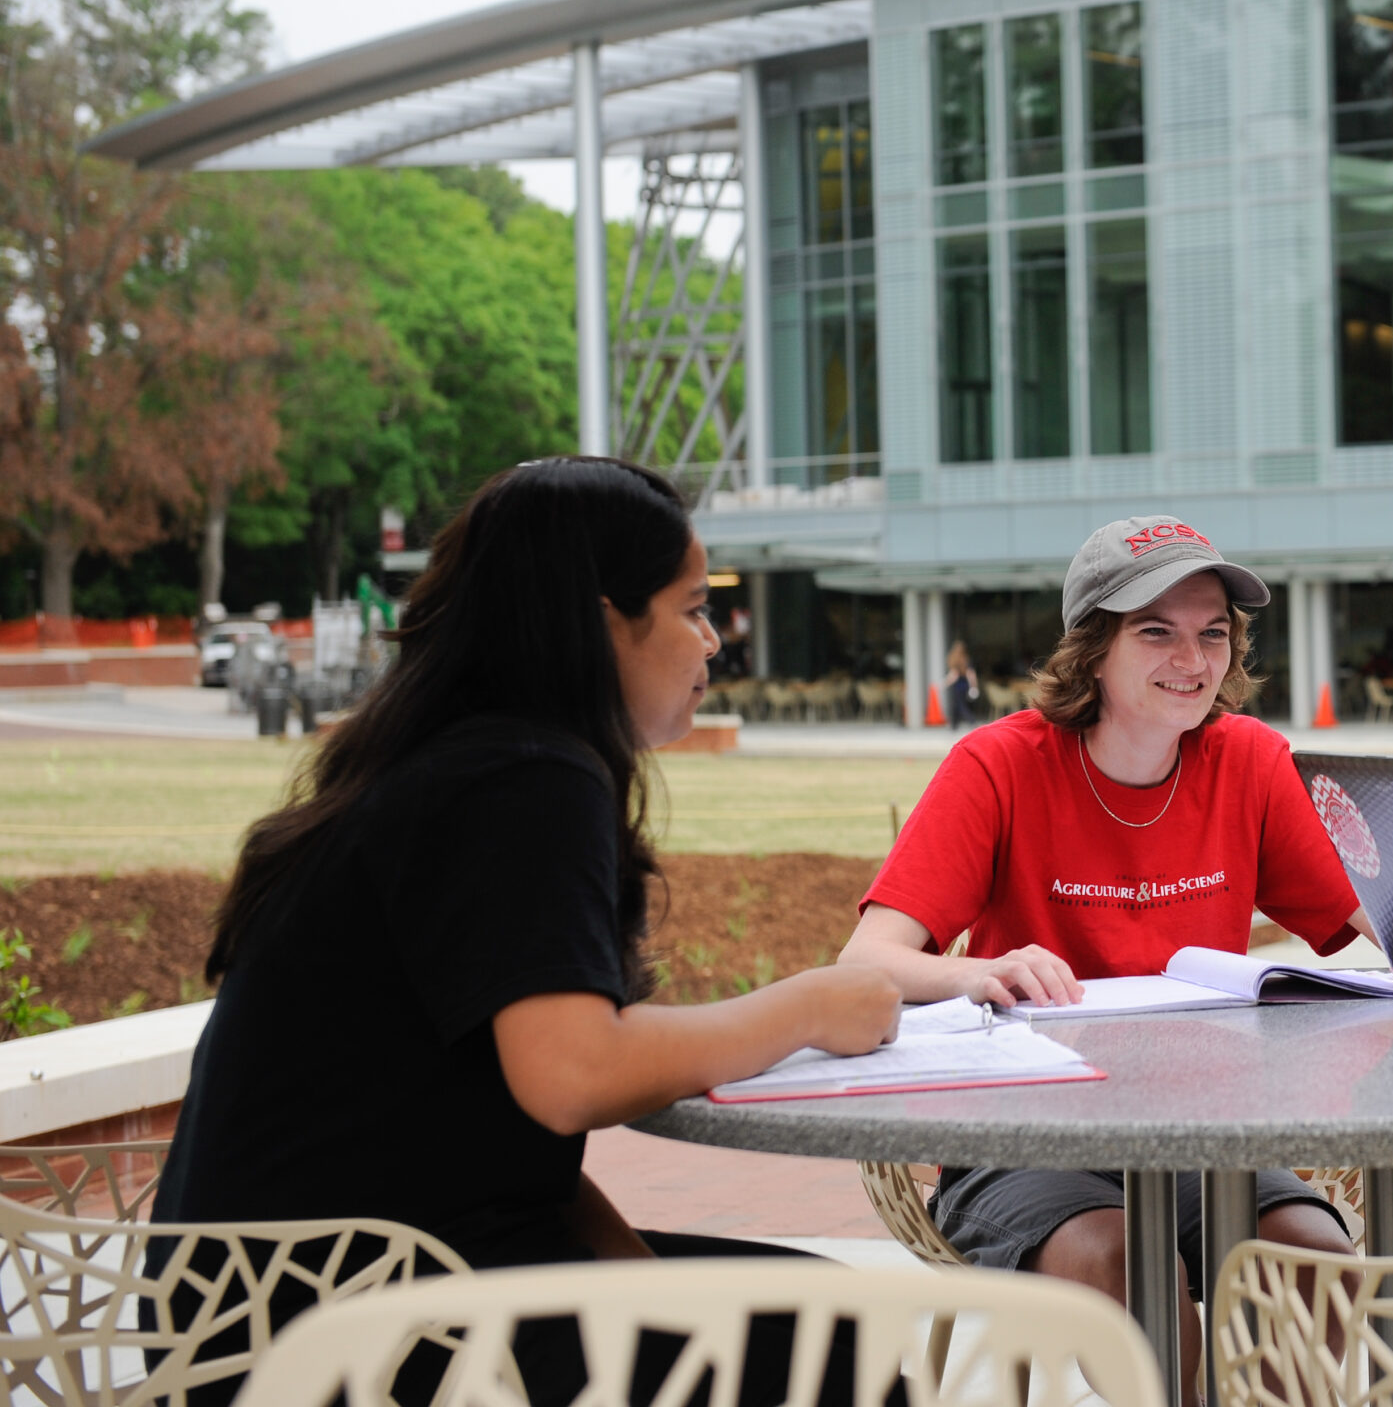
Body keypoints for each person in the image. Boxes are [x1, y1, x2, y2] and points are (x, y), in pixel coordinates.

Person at [156, 459, 903, 1281]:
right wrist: (806, 1008)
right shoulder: (523, 778)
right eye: (692, 609)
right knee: (830, 1328)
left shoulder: (452, 765)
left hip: (267, 1303)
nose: (713, 640)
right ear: (601, 623)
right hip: (336, 1327)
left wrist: (642, 1276)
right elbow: (574, 1072)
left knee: (811, 1307)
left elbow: (495, 1147)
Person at [844, 514, 1369, 1405]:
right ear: (1091, 649)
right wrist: (976, 973)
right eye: (1155, 630)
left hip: (1202, 1133)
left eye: (1213, 632)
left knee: (1315, 1263)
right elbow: (870, 963)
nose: (1192, 659)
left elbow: (1366, 920)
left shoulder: (1248, 760)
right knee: (1130, 1266)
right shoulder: (998, 765)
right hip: (1027, 1136)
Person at [945, 637, 981, 730]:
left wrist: (945, 683)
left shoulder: (956, 660)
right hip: (964, 685)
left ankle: (971, 721)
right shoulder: (965, 660)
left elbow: (954, 675)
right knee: (957, 705)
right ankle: (954, 725)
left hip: (957, 686)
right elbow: (971, 674)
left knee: (960, 706)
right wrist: (973, 686)